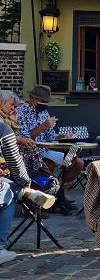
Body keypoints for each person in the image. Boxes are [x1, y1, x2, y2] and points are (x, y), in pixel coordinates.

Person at [1, 93, 57, 265]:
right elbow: (15, 162)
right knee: (8, 193)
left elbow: (49, 137)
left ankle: (27, 192)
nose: (14, 108)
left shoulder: (10, 123)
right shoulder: (3, 129)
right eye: (12, 105)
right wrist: (25, 181)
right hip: (6, 171)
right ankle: (0, 247)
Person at [16, 85, 85, 189]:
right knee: (50, 164)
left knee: (78, 162)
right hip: (32, 153)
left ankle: (59, 189)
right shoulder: (20, 112)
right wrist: (43, 126)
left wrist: (63, 136)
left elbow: (51, 136)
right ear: (33, 99)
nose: (46, 104)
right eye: (43, 101)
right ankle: (54, 192)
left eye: (47, 101)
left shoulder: (44, 112)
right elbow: (26, 139)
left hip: (46, 151)